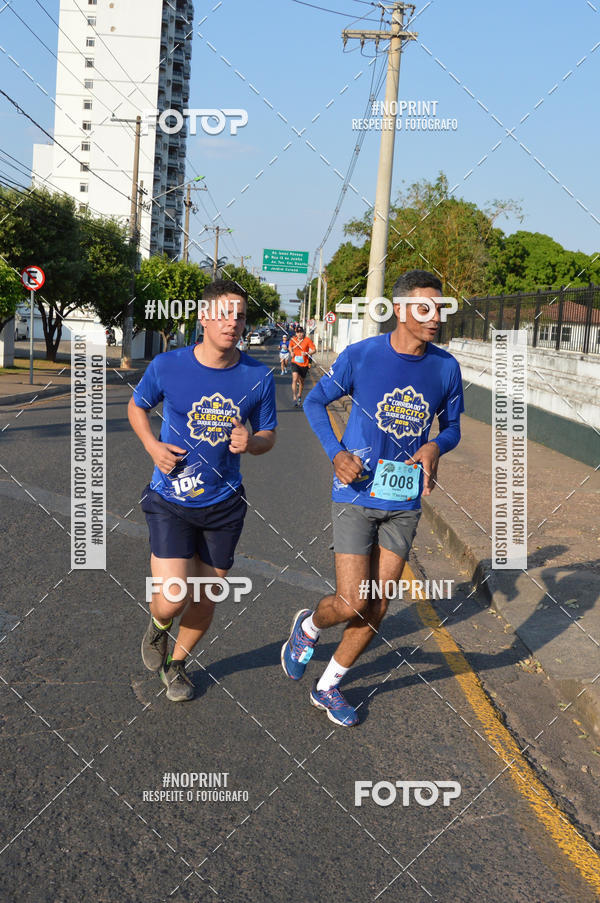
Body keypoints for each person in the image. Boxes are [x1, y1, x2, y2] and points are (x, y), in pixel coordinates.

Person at [281, 270, 464, 726]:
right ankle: (307, 628)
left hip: (402, 499)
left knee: (379, 602)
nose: (435, 317)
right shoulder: (362, 356)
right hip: (355, 491)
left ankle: (328, 687)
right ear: (400, 310)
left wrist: (434, 446)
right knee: (351, 602)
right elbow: (313, 402)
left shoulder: (446, 367)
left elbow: (454, 427)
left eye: (439, 308)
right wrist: (336, 453)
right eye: (424, 307)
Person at [128, 280, 277, 702]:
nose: (233, 323)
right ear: (203, 317)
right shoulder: (168, 365)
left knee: (205, 596)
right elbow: (137, 407)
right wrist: (153, 446)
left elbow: (268, 434)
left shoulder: (257, 376)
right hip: (171, 500)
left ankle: (177, 665)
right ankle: (158, 628)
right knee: (173, 596)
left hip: (224, 504)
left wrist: (254, 443)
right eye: (224, 314)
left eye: (241, 316)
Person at [288, 326, 316, 407]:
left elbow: (314, 350)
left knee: (301, 382)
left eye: (301, 332)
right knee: (295, 378)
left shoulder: (307, 340)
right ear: (296, 333)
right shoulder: (293, 339)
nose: (299, 334)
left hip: (304, 364)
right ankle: (294, 397)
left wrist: (308, 353)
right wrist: (291, 352)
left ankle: (299, 395)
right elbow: (290, 346)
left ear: (303, 332)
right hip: (295, 362)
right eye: (297, 332)